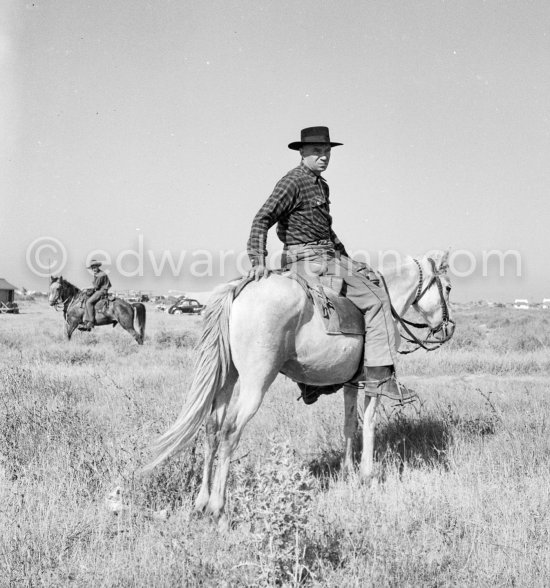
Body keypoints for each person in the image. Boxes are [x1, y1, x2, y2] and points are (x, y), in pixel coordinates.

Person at [246, 126, 414, 403]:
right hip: (312, 261)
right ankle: (381, 377)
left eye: (326, 152)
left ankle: (315, 383)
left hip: (324, 256)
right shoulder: (293, 182)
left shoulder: (320, 184)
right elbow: (262, 218)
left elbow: (327, 233)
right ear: (302, 152)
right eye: (316, 151)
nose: (323, 157)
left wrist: (350, 261)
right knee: (377, 299)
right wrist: (257, 260)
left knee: (363, 281)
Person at [83, 260, 111, 330]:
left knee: (89, 302)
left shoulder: (100, 275)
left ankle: (91, 321)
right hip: (99, 290)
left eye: (94, 267)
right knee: (86, 298)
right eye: (92, 268)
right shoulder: (98, 273)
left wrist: (85, 288)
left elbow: (96, 287)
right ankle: (86, 320)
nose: (93, 269)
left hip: (101, 291)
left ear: (98, 267)